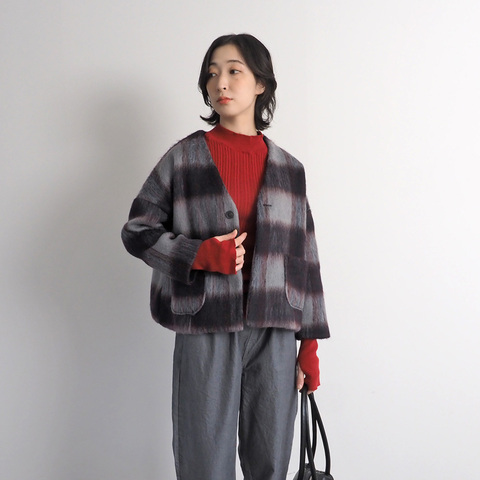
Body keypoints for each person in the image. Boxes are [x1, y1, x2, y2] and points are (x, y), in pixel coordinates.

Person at [121, 33, 330, 480]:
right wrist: (197, 254)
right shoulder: (184, 159)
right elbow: (138, 231)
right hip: (205, 326)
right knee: (204, 462)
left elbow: (306, 260)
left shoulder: (290, 170)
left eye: (234, 71)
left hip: (276, 331)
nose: (221, 83)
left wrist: (309, 346)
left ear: (261, 84)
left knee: (270, 461)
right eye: (212, 73)